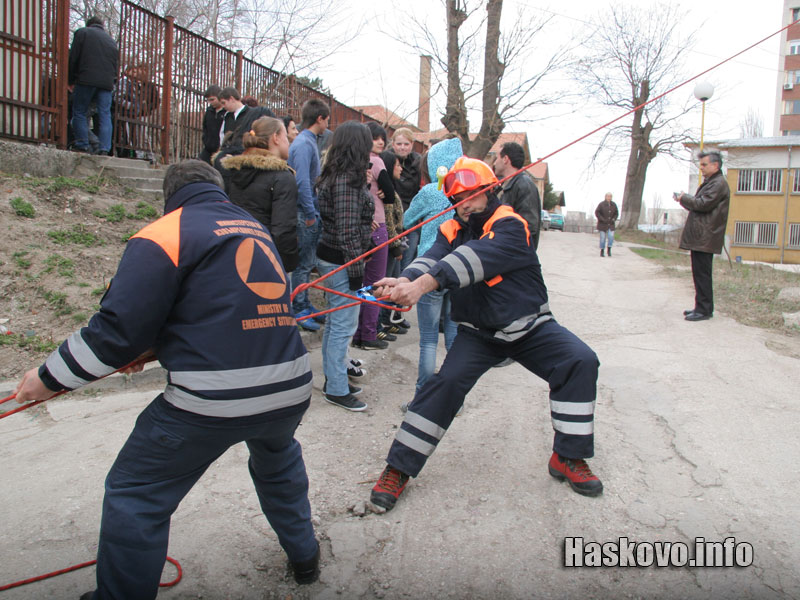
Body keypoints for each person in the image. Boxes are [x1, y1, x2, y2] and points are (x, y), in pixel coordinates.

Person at [14, 160, 320, 598]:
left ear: (170, 196)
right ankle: (305, 558)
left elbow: (116, 332)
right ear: (219, 190)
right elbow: (226, 309)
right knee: (279, 465)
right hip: (289, 387)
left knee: (136, 491)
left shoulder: (165, 234)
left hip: (211, 400)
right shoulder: (253, 229)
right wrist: (154, 347)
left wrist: (47, 379)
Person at [368, 157, 603, 512]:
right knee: (443, 386)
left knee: (579, 361)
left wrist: (422, 286)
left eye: (471, 195)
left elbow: (473, 258)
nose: (464, 204)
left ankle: (568, 457)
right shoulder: (451, 228)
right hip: (479, 334)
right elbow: (434, 257)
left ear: (490, 190)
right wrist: (404, 279)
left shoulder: (510, 224)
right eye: (457, 199)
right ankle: (397, 469)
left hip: (529, 326)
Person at [315, 121, 375, 411]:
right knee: (342, 326)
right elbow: (347, 230)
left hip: (336, 257)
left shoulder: (342, 175)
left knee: (336, 324)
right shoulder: (345, 180)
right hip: (341, 260)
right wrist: (356, 273)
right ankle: (336, 390)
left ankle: (335, 378)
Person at [400, 137, 462, 391]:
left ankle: (422, 397)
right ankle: (450, 396)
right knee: (454, 336)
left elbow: (406, 221)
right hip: (458, 269)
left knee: (428, 340)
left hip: (430, 270)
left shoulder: (430, 192)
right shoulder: (466, 191)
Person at [222, 116, 299, 272]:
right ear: (276, 138)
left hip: (237, 254)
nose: (288, 142)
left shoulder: (237, 171)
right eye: (285, 136)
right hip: (269, 261)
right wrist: (287, 265)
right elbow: (283, 231)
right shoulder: (282, 177)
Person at [289, 98, 331, 331]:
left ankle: (304, 303)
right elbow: (302, 181)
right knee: (303, 265)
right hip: (304, 212)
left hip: (308, 210)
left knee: (307, 263)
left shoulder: (308, 141)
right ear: (319, 118)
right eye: (327, 120)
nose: (327, 125)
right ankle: (299, 308)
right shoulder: (304, 143)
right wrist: (310, 213)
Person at [352, 122, 395, 349]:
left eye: (382, 139)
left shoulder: (352, 160)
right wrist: (384, 192)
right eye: (375, 138)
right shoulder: (376, 162)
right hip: (377, 227)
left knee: (360, 283)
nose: (380, 142)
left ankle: (358, 332)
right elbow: (391, 194)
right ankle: (368, 333)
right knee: (374, 284)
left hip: (357, 227)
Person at [674, 150, 730, 322]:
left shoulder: (718, 183)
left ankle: (704, 310)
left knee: (702, 274)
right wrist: (683, 200)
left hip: (706, 236)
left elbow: (703, 204)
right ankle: (701, 307)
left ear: (715, 165)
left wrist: (685, 198)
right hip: (703, 236)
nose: (701, 168)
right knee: (699, 273)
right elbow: (699, 206)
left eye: (704, 165)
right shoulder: (712, 183)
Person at [68, 16, 118, 155]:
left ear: (88, 24)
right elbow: (115, 65)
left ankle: (82, 144)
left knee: (79, 111)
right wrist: (112, 82)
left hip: (86, 79)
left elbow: (73, 57)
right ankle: (104, 148)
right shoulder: (111, 41)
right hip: (106, 83)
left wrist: (70, 80)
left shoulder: (82, 33)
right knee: (105, 114)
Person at [493, 142, 541, 250]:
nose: (494, 163)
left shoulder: (524, 185)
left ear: (505, 159)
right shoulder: (502, 185)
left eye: (497, 158)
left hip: (515, 253)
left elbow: (529, 227)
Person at [392, 128, 423, 273]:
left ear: (412, 144)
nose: (402, 147)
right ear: (393, 144)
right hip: (392, 219)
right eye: (399, 144)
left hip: (412, 217)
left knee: (408, 262)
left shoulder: (418, 163)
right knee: (393, 263)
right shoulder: (387, 160)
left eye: (406, 144)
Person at [199, 85, 224, 163]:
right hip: (208, 149)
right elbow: (205, 128)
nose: (210, 102)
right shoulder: (209, 111)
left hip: (222, 149)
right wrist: (206, 141)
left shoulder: (227, 112)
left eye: (212, 99)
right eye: (208, 100)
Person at [595, 192, 618, 257]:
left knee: (611, 237)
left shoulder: (613, 204)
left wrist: (614, 219)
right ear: (605, 197)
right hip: (603, 224)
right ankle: (602, 250)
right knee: (602, 238)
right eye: (608, 196)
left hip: (611, 224)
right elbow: (597, 212)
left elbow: (616, 213)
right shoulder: (601, 204)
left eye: (610, 196)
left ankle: (609, 249)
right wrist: (602, 219)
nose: (609, 198)